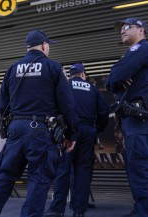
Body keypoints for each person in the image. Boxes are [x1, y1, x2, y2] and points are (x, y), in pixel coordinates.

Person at [0, 30, 78, 217]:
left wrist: (11, 127)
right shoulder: (53, 68)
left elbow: (2, 105)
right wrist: (70, 134)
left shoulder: (12, 68)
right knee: (38, 180)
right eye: (48, 45)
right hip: (42, 132)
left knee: (4, 176)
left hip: (16, 129)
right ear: (43, 45)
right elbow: (67, 104)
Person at [105, 17, 148, 217]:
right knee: (136, 170)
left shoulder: (144, 49)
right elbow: (112, 79)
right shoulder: (132, 55)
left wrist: (116, 79)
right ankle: (142, 211)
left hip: (141, 118)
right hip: (134, 119)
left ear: (140, 30)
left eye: (126, 27)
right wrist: (115, 79)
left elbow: (117, 76)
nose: (122, 31)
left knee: (141, 170)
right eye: (120, 28)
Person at [44, 63, 109, 217]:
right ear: (83, 74)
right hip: (87, 131)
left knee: (63, 170)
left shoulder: (65, 86)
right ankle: (79, 210)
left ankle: (57, 209)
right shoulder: (92, 89)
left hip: (69, 130)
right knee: (83, 172)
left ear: (71, 74)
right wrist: (97, 129)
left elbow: (56, 107)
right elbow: (104, 112)